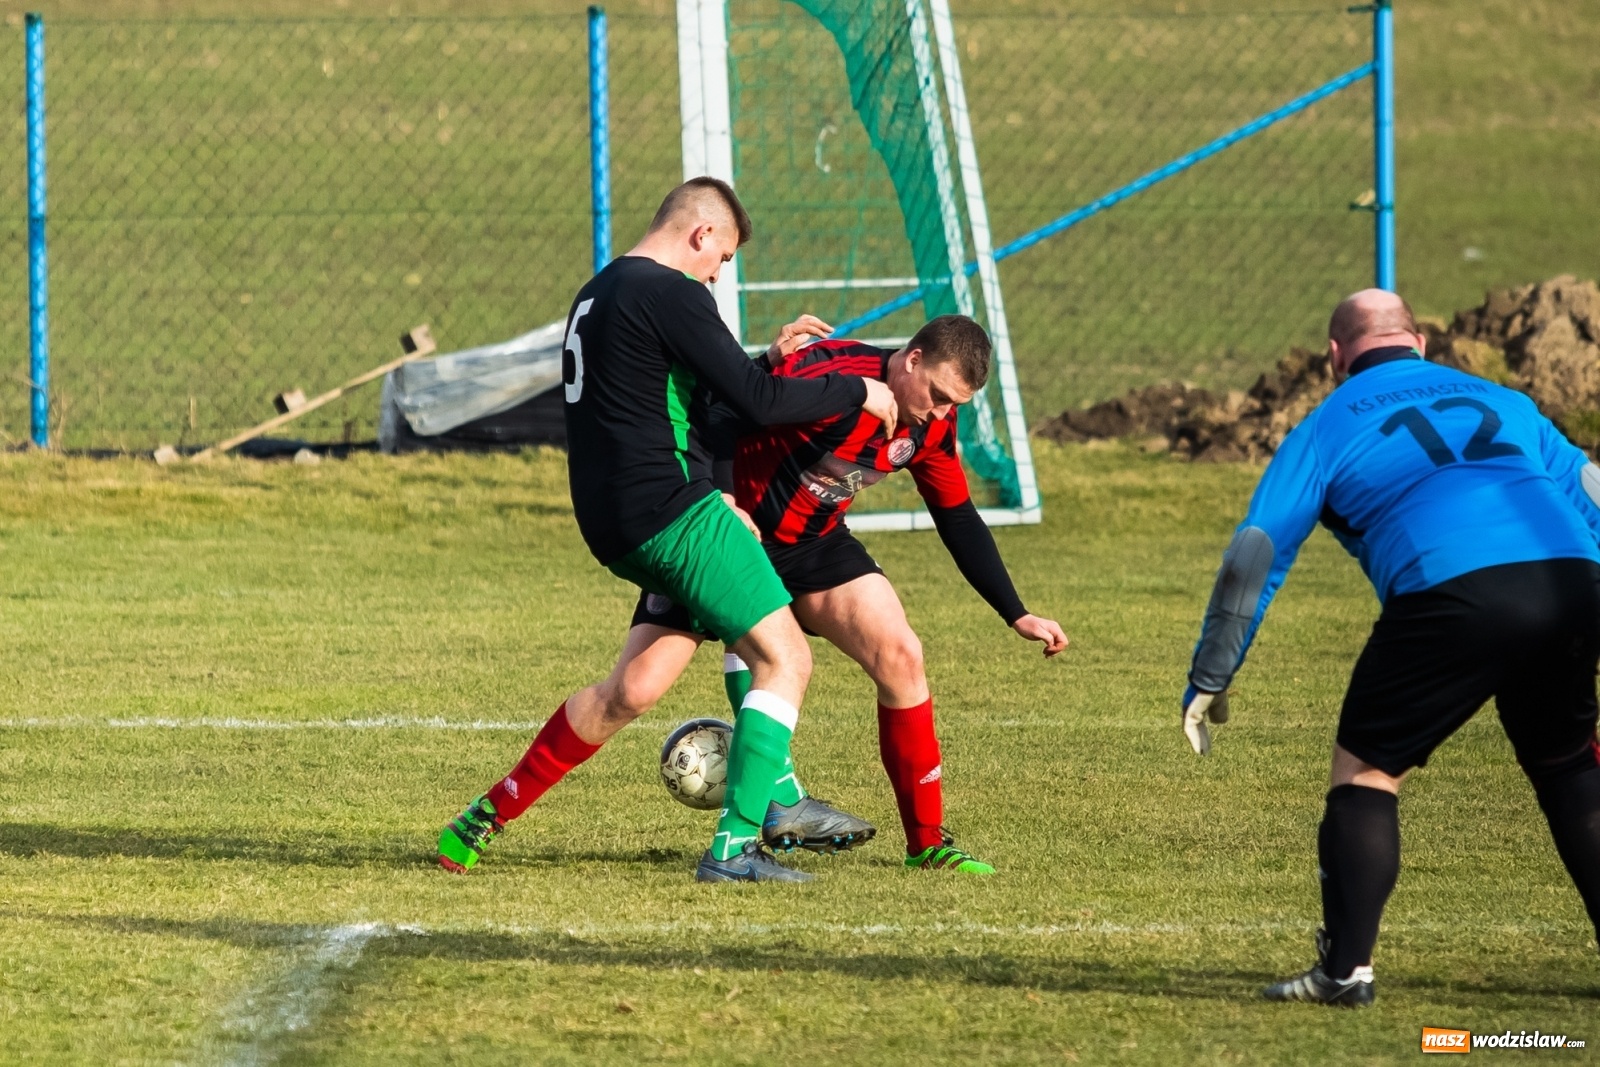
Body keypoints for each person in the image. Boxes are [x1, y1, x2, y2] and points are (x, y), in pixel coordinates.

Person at [438, 177, 898, 883]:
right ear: (699, 235)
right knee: (786, 659)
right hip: (670, 509)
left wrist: (765, 365)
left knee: (634, 688)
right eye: (724, 256)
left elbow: (703, 408)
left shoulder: (599, 293)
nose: (721, 273)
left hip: (615, 521)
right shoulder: (673, 290)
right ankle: (739, 842)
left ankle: (485, 815)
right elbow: (759, 402)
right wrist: (856, 388)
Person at [1182, 288, 1600, 1006]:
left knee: (1367, 777)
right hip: (1572, 581)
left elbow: (1256, 551)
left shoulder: (1325, 424)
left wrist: (1212, 669)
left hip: (1453, 593)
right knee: (1568, 767)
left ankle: (1346, 971)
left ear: (1335, 357)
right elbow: (1593, 487)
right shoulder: (1506, 400)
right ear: (1422, 343)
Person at [633, 313, 1070, 874]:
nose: (941, 412)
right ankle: (777, 800)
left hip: (815, 542)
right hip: (732, 534)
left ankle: (927, 844)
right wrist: (719, 499)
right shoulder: (828, 372)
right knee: (634, 688)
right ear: (912, 360)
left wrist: (1017, 612)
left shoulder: (931, 426)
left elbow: (957, 517)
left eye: (954, 405)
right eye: (937, 395)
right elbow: (719, 418)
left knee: (902, 655)